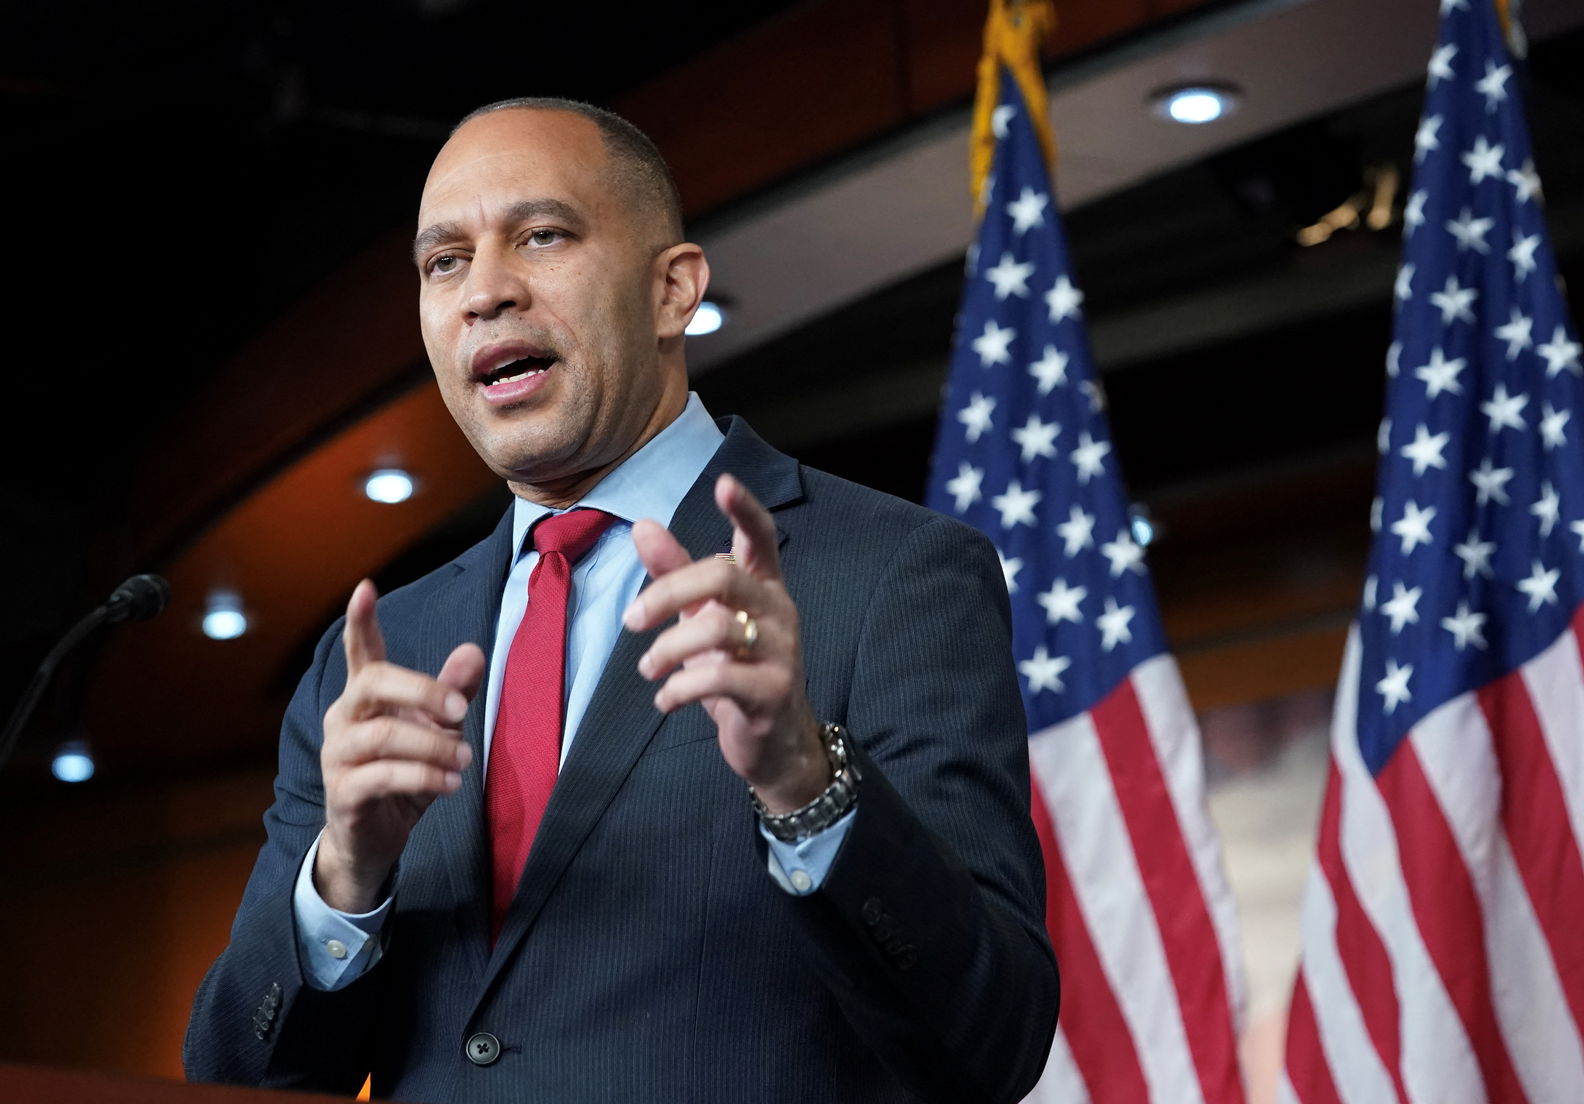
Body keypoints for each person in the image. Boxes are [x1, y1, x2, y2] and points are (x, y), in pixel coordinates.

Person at [184, 97, 1057, 1103]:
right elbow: (239, 1078)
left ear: (672, 292)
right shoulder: (374, 653)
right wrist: (346, 873)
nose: (485, 293)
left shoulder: (894, 574)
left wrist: (803, 782)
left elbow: (989, 1040)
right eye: (444, 262)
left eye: (541, 235)